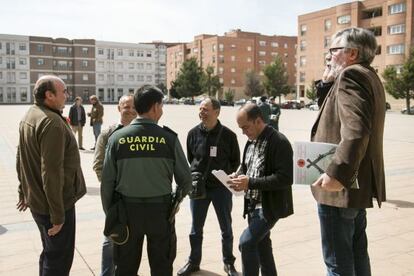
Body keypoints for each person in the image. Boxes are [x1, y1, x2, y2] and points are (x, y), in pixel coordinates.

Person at [310, 27, 386, 276]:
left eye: (334, 50)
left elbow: (356, 131)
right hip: (355, 186)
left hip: (340, 187)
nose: (329, 56)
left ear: (352, 53)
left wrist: (337, 174)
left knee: (338, 261)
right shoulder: (367, 75)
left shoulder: (351, 75)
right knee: (356, 252)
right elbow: (336, 115)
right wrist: (326, 84)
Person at [101, 85, 192, 276]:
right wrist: (175, 200)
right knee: (161, 266)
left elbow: (107, 182)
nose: (162, 110)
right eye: (161, 105)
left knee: (125, 267)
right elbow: (185, 181)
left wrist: (111, 212)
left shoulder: (117, 139)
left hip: (126, 213)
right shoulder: (169, 138)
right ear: (155, 107)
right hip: (160, 212)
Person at [16, 75, 87, 276]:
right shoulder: (51, 122)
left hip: (38, 201)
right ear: (49, 95)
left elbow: (20, 157)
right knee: (59, 260)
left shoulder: (31, 114)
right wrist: (58, 216)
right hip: (54, 206)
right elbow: (51, 172)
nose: (67, 95)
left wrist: (24, 191)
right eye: (63, 92)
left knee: (50, 253)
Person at [228, 103, 293, 276]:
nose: (243, 132)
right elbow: (247, 166)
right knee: (262, 247)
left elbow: (285, 178)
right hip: (252, 206)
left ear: (258, 121)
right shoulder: (250, 142)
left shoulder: (279, 141)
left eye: (245, 127)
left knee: (246, 243)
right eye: (240, 128)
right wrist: (236, 175)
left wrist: (250, 182)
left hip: (269, 207)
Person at [177, 97, 240, 276]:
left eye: (206, 109)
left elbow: (236, 161)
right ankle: (193, 262)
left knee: (226, 228)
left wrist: (224, 174)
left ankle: (229, 263)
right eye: (201, 109)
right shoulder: (192, 133)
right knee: (196, 229)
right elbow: (191, 159)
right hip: (199, 189)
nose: (201, 112)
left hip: (221, 189)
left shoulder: (229, 136)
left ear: (217, 112)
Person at [93, 94, 137, 276]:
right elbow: (98, 166)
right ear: (119, 109)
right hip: (116, 198)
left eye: (133, 106)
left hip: (137, 198)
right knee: (111, 238)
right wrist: (115, 188)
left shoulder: (143, 134)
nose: (130, 110)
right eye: (126, 106)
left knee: (133, 239)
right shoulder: (107, 134)